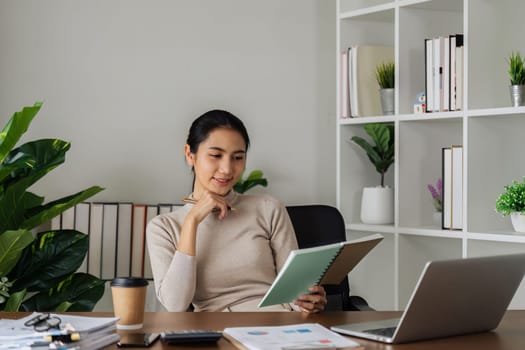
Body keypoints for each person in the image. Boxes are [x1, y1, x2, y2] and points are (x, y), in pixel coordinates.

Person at [146, 109, 327, 313]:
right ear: (190, 154)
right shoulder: (164, 227)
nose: (227, 169)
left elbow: (293, 290)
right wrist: (193, 220)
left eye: (238, 157)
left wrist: (308, 301)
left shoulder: (268, 208)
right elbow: (175, 305)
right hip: (218, 333)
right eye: (216, 155)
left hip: (278, 325)